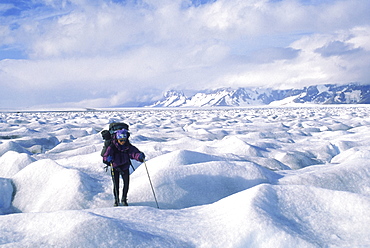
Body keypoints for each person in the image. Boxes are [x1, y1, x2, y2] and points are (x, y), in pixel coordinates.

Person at [103, 129, 145, 206]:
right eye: (121, 140)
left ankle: (124, 199)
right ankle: (116, 200)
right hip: (115, 167)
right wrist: (107, 159)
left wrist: (139, 156)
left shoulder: (128, 146)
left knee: (126, 183)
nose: (123, 142)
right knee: (116, 184)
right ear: (117, 139)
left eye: (124, 140)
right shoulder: (112, 146)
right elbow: (105, 156)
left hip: (125, 166)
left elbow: (133, 153)